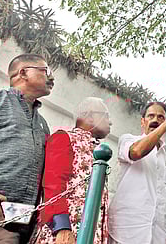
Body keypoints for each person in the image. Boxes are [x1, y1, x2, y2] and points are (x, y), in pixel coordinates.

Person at [0, 53, 54, 243]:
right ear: (23, 72)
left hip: (16, 229)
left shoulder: (43, 125)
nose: (52, 77)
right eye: (46, 71)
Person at [107, 102, 166, 244]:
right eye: (151, 116)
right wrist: (164, 127)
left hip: (159, 235)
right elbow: (136, 152)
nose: (155, 120)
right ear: (142, 121)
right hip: (126, 232)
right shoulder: (128, 140)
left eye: (161, 117)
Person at [34, 97, 112, 244]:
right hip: (63, 234)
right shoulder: (64, 138)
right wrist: (61, 227)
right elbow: (53, 184)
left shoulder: (97, 148)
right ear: (89, 116)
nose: (110, 122)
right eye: (105, 115)